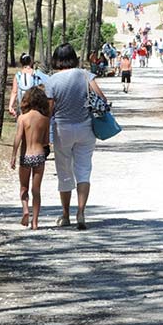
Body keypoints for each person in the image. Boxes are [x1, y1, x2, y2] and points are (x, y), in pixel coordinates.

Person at [44, 43, 108, 230]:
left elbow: (49, 110)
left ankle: (65, 215)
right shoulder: (85, 75)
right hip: (86, 128)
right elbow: (101, 99)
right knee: (83, 170)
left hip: (62, 129)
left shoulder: (52, 81)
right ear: (74, 57)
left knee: (64, 172)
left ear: (57, 59)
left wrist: (43, 136)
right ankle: (81, 212)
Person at [10, 85, 51, 229]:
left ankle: (25, 210)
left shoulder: (22, 118)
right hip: (39, 156)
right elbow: (46, 141)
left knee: (23, 187)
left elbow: (18, 138)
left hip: (25, 156)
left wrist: (14, 155)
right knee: (36, 190)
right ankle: (35, 222)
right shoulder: (45, 119)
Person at [7, 53, 46, 118]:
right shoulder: (36, 73)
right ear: (31, 62)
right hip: (34, 106)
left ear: (21, 63)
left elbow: (14, 92)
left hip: (22, 106)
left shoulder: (18, 75)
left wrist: (10, 106)